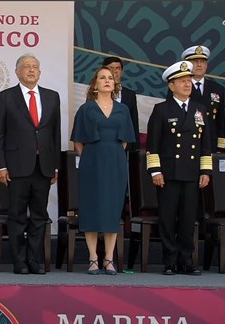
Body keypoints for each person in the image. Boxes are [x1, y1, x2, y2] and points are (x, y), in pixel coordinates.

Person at [0, 53, 61, 275]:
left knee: (40, 216)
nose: (31, 70)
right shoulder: (6, 97)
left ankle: (35, 259)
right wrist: (1, 166)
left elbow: (55, 134)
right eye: (27, 67)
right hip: (16, 166)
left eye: (35, 67)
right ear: (17, 72)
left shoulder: (52, 97)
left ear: (39, 72)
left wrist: (55, 166)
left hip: (43, 166)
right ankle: (19, 261)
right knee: (18, 216)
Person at [146, 61, 212, 276]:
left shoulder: (199, 109)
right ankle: (170, 261)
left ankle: (187, 260)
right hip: (168, 174)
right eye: (182, 81)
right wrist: (155, 171)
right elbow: (153, 144)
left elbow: (205, 144)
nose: (187, 85)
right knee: (167, 218)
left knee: (187, 219)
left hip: (192, 173)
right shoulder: (161, 109)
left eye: (189, 81)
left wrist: (205, 171)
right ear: (171, 85)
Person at [70, 66, 135, 275]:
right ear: (95, 84)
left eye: (110, 78)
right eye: (102, 78)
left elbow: (125, 142)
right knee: (91, 209)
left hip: (115, 163)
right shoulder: (86, 109)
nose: (107, 81)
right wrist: (91, 157)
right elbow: (78, 142)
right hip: (91, 163)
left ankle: (109, 258)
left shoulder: (122, 109)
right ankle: (92, 258)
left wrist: (111, 154)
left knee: (111, 210)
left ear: (114, 84)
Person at [175, 45, 225, 153]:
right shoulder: (178, 87)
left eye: (202, 61)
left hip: (210, 145)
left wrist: (220, 147)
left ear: (206, 65)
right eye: (195, 61)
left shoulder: (217, 89)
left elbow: (220, 122)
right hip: (186, 144)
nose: (199, 65)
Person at [102, 56, 139, 151]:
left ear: (121, 72)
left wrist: (135, 150)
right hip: (101, 146)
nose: (115, 71)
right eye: (111, 67)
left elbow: (133, 124)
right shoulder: (95, 93)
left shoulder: (130, 95)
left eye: (118, 68)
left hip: (124, 148)